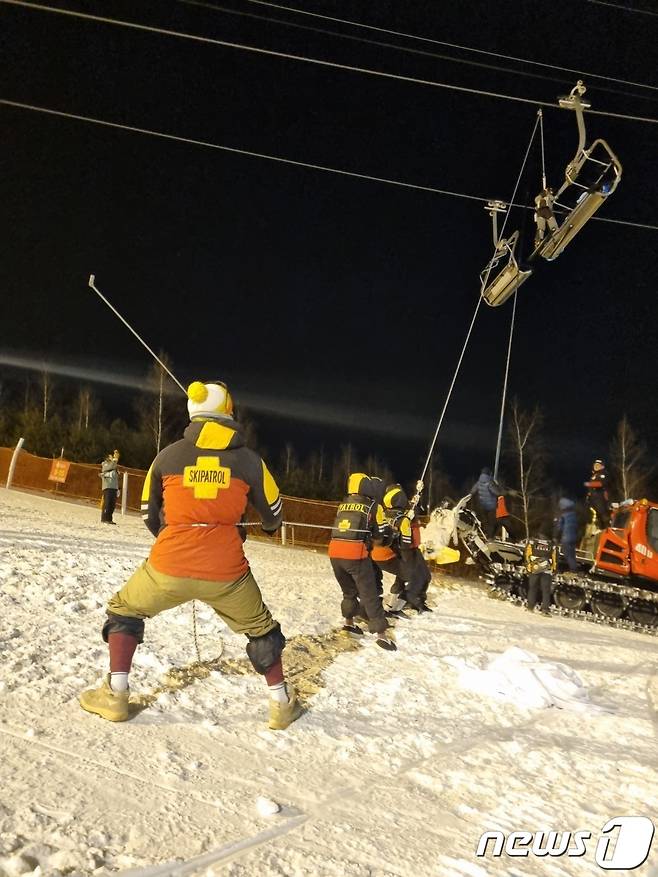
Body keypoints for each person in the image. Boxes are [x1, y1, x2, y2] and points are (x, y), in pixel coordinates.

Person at [80, 380, 302, 731]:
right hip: (227, 573)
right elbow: (275, 516)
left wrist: (175, 540)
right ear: (229, 411)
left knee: (123, 609)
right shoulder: (249, 460)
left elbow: (148, 514)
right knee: (261, 629)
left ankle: (116, 694)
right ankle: (280, 703)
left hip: (168, 565)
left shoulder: (167, 456)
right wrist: (249, 526)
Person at [328, 473, 396, 650]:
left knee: (349, 592)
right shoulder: (373, 507)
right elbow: (380, 536)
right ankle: (381, 635)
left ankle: (349, 624)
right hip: (355, 554)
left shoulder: (342, 505)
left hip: (334, 554)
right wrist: (390, 533)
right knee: (369, 593)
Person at [524, 538, 556, 616]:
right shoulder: (552, 544)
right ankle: (545, 609)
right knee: (546, 590)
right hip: (547, 569)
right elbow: (554, 557)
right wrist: (554, 569)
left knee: (533, 587)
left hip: (534, 567)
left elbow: (527, 554)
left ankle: (530, 606)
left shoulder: (532, 541)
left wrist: (528, 566)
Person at [469, 467, 500, 537]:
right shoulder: (489, 483)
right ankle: (490, 537)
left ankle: (484, 535)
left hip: (482, 505)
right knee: (492, 522)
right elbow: (496, 492)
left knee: (485, 522)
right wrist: (497, 487)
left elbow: (472, 491)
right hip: (491, 506)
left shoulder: (478, 482)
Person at [554, 497, 579, 572]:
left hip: (566, 538)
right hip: (573, 538)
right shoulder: (574, 516)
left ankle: (573, 570)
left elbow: (559, 528)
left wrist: (556, 537)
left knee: (566, 554)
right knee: (572, 554)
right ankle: (573, 568)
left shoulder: (563, 516)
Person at [584, 459, 610, 529]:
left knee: (603, 514)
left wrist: (590, 484)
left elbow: (601, 484)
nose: (596, 467)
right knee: (595, 516)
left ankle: (607, 528)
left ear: (602, 466)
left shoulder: (603, 474)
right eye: (595, 465)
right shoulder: (594, 475)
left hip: (600, 497)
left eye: (598, 465)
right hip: (593, 499)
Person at [99, 449, 120, 524]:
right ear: (107, 458)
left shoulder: (114, 467)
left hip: (114, 488)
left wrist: (118, 488)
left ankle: (109, 519)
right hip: (107, 487)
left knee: (112, 505)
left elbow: (116, 478)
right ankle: (104, 518)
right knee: (107, 504)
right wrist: (115, 460)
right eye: (110, 457)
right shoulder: (105, 464)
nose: (112, 458)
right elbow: (109, 468)